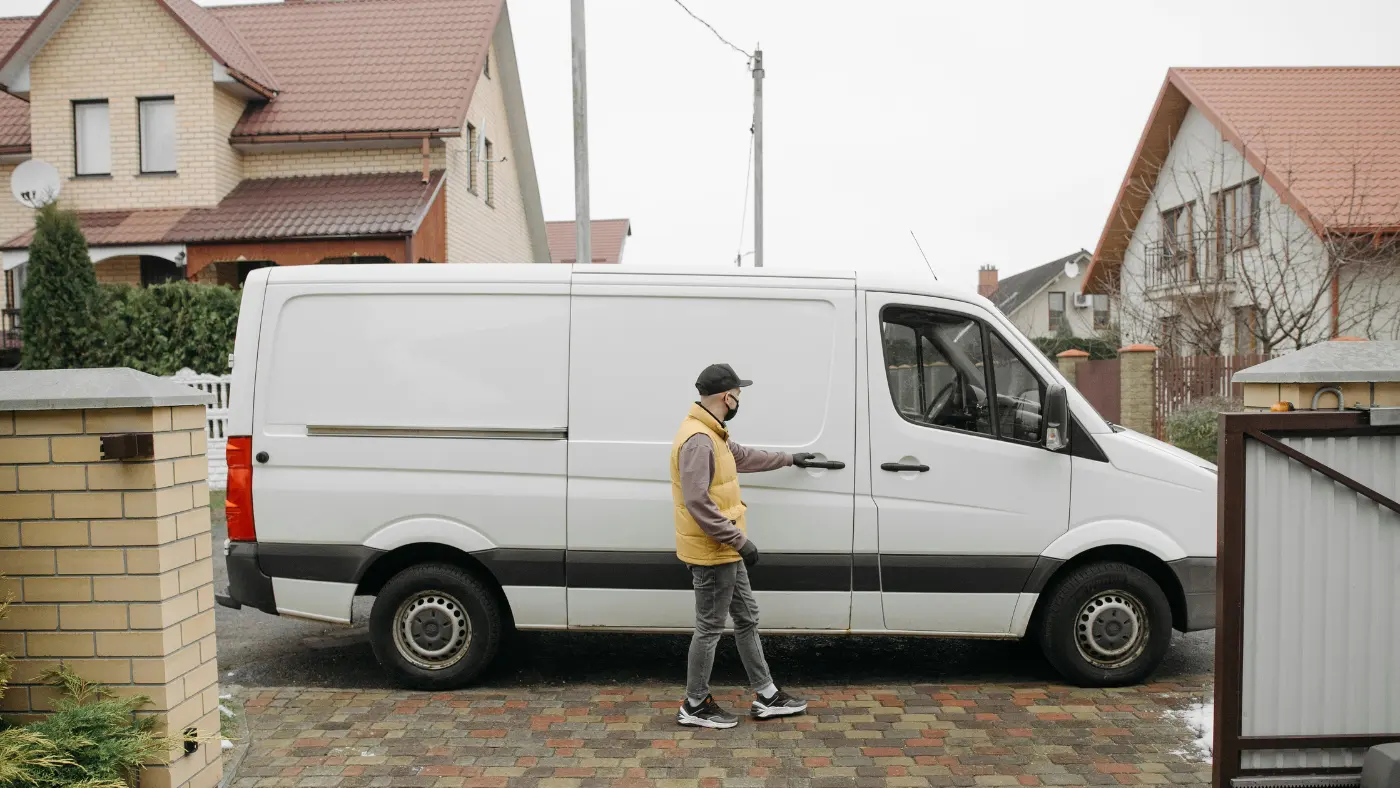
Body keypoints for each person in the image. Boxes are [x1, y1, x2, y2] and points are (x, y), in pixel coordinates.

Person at [670, 363, 817, 728]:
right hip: (714, 551)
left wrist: (789, 459)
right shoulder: (698, 440)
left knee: (747, 617)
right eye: (738, 393)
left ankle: (767, 695)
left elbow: (742, 456)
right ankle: (694, 704)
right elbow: (698, 502)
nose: (739, 399)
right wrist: (741, 541)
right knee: (709, 627)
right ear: (726, 396)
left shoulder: (712, 433)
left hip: (724, 549)